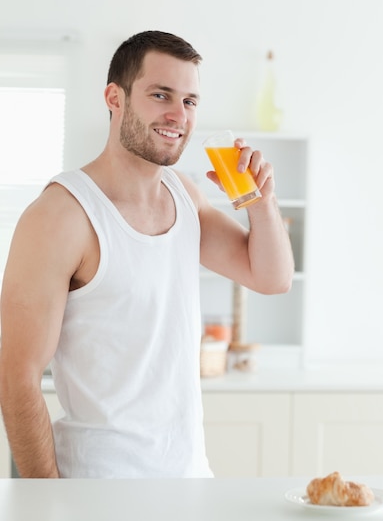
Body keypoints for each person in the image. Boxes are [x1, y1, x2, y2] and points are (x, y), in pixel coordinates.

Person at [0, 30, 294, 478]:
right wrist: (48, 500)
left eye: (191, 101)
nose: (179, 115)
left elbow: (272, 278)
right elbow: (16, 375)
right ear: (114, 98)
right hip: (98, 489)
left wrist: (261, 201)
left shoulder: (185, 196)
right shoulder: (60, 215)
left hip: (189, 480)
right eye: (162, 95)